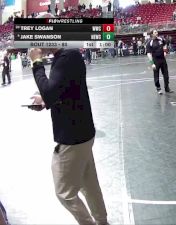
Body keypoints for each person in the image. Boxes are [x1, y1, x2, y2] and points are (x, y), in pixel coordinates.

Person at [28, 47, 108, 225]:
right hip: (83, 132)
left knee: (64, 192)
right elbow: (64, 90)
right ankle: (102, 221)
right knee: (89, 184)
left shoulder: (66, 57)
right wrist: (46, 100)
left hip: (72, 137)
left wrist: (36, 62)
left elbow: (50, 91)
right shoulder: (68, 55)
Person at [147, 30, 173, 94]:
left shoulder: (161, 39)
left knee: (166, 75)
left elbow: (165, 45)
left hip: (163, 59)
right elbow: (149, 54)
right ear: (152, 34)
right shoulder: (149, 42)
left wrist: (165, 51)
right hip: (156, 60)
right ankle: (158, 88)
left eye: (157, 32)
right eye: (155, 32)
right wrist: (152, 63)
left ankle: (167, 88)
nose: (157, 33)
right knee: (156, 75)